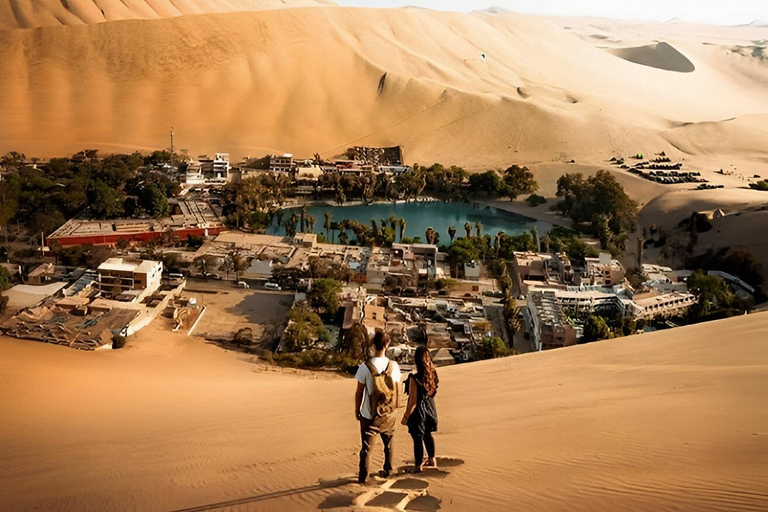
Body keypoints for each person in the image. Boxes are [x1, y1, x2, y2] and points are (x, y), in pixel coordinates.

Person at [355, 330, 401, 483]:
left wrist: (357, 410)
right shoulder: (393, 366)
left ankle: (363, 478)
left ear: (374, 345)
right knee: (388, 445)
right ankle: (388, 470)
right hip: (388, 414)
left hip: (370, 416)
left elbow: (359, 392)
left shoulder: (365, 367)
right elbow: (397, 389)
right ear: (387, 345)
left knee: (366, 449)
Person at [401, 346, 438, 472]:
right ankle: (432, 459)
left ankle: (418, 466)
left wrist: (405, 417)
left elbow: (412, 402)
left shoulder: (414, 379)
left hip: (418, 413)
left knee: (417, 438)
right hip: (430, 409)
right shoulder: (432, 374)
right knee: (428, 435)